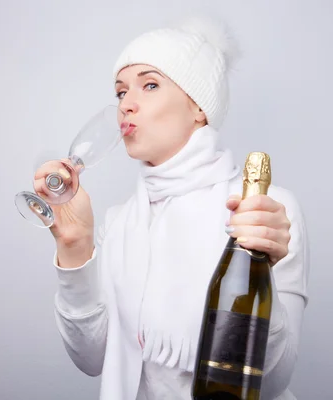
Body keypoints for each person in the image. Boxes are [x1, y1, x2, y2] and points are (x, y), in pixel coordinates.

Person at [37, 15, 310, 400]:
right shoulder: (119, 223)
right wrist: (75, 247)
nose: (126, 105)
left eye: (149, 85)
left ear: (199, 107)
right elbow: (91, 359)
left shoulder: (264, 211)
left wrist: (261, 269)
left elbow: (275, 379)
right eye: (120, 92)